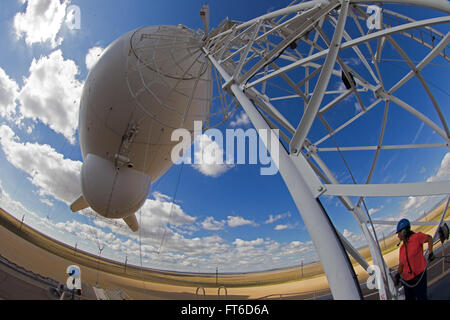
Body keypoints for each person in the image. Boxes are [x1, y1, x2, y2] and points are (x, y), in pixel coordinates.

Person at [394, 218, 434, 300]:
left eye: (398, 233)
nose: (398, 236)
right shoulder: (402, 248)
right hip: (407, 281)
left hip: (419, 278)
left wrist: (431, 253)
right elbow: (401, 265)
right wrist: (398, 275)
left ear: (403, 232)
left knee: (422, 298)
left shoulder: (417, 237)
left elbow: (429, 238)